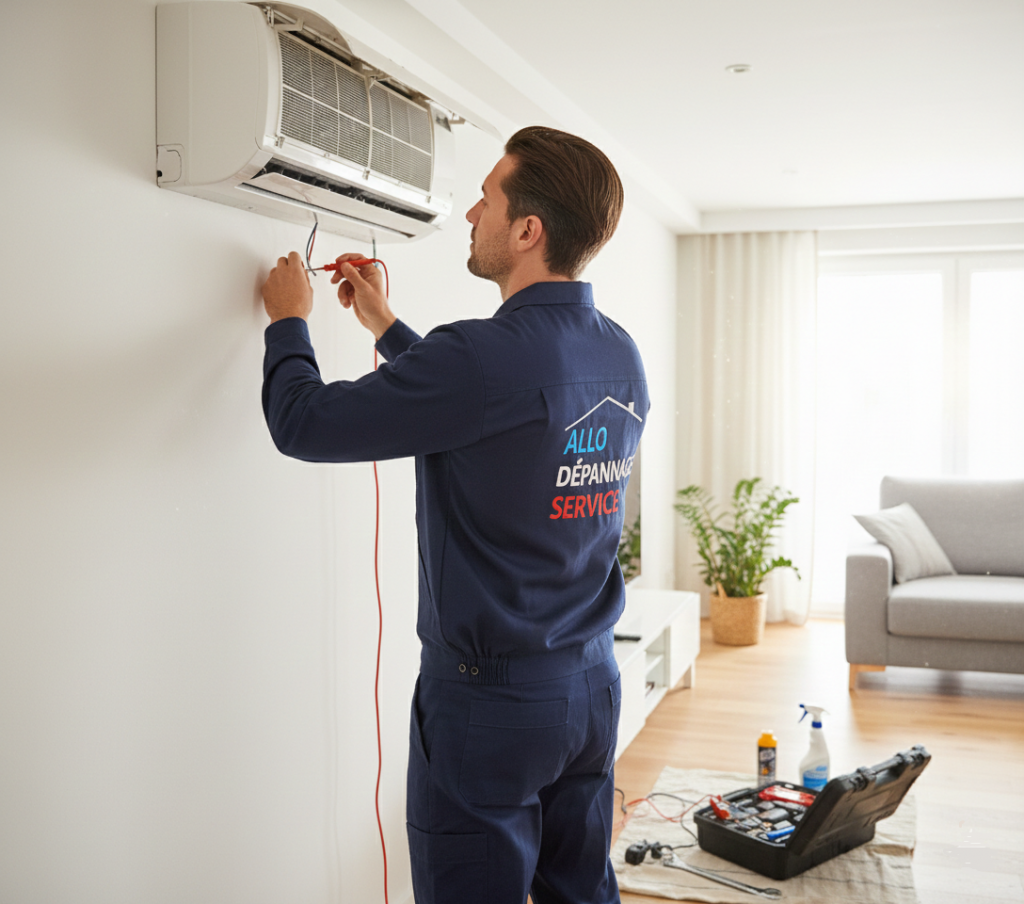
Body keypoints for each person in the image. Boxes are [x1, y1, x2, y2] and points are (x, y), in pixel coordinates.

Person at [261, 126, 649, 904]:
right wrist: (384, 325)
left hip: (492, 708)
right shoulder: (618, 353)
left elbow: (302, 425)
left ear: (528, 231)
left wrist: (287, 322)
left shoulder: (478, 356)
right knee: (582, 891)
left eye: (488, 196)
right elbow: (493, 416)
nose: (472, 211)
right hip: (591, 689)